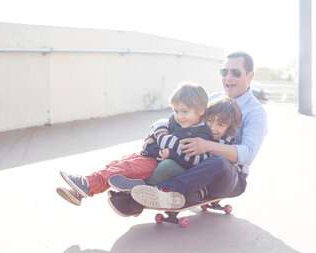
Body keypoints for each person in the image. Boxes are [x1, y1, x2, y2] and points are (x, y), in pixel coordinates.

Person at [109, 51, 267, 214]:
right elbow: (182, 117)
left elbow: (248, 154)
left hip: (229, 175)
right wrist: (155, 135)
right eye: (224, 71)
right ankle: (133, 199)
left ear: (250, 75)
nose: (228, 77)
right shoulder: (212, 99)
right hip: (193, 163)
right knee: (169, 150)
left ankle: (160, 190)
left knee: (218, 162)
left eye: (235, 72)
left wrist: (207, 146)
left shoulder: (256, 113)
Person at [56, 82, 212, 206]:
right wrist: (151, 137)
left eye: (184, 112)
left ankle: (88, 184)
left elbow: (184, 153)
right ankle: (81, 191)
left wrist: (162, 139)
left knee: (124, 169)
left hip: (156, 163)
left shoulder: (201, 134)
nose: (179, 116)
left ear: (201, 110)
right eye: (176, 111)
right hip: (149, 154)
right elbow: (162, 126)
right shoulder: (177, 120)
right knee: (116, 164)